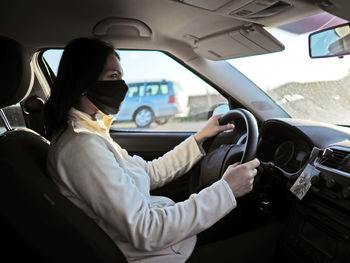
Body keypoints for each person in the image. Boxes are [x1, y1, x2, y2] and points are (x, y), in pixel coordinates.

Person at [45, 37, 267, 263]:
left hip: (171, 242)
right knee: (272, 236)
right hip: (163, 255)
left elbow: (148, 173)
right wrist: (226, 189)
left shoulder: (92, 132)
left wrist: (199, 138)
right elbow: (147, 231)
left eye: (121, 76)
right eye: (113, 77)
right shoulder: (82, 147)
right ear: (83, 83)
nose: (121, 85)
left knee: (248, 219)